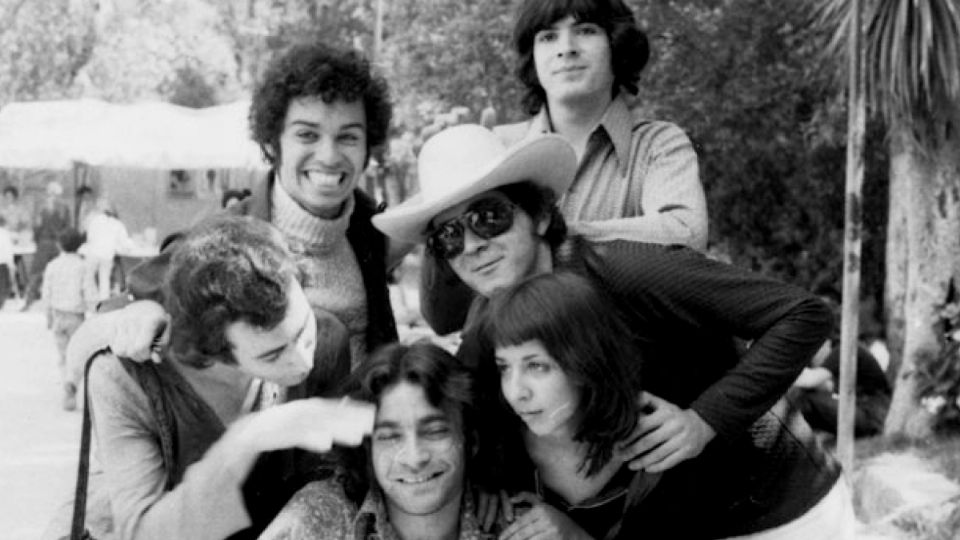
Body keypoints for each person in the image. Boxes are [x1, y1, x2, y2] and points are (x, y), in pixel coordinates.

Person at [371, 124, 851, 538]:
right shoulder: (488, 331)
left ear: (538, 214)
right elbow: (464, 411)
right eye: (449, 237)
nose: (473, 245)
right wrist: (488, 482)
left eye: (488, 217)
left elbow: (803, 315)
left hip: (778, 505)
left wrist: (703, 421)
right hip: (672, 521)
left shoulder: (624, 271)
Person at [65, 41, 400, 370]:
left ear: (368, 145)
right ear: (273, 142)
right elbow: (117, 308)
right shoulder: (225, 238)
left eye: (348, 137)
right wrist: (141, 312)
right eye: (307, 135)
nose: (328, 156)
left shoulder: (371, 227)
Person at [47, 215, 374, 540]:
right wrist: (248, 440)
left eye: (303, 332)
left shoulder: (329, 339)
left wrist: (309, 508)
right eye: (271, 355)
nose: (302, 360)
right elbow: (143, 532)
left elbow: (330, 472)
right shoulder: (125, 380)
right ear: (213, 350)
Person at [420, 0, 708, 334]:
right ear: (533, 57)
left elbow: (685, 235)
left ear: (617, 46)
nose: (566, 49)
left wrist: (551, 233)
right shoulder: (495, 150)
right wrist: (441, 200)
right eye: (548, 37)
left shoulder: (659, 143)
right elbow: (443, 319)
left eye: (585, 31)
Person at [260, 341, 496, 540]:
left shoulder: (521, 528)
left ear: (470, 439)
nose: (414, 458)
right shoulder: (315, 521)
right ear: (367, 448)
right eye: (390, 437)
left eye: (434, 431)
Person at [41, 227, 97, 410]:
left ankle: (67, 383)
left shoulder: (53, 265)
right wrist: (94, 311)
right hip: (76, 317)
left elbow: (46, 293)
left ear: (59, 244)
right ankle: (72, 384)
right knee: (77, 353)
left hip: (58, 315)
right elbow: (89, 292)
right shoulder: (83, 266)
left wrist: (48, 316)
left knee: (63, 355)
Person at [23, 181, 72, 309]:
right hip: (56, 243)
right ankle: (58, 302)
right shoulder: (63, 207)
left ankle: (29, 301)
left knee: (36, 273)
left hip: (45, 242)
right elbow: (67, 227)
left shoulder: (42, 206)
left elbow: (37, 226)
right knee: (57, 273)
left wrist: (36, 239)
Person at [81, 198, 133, 301]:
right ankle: (103, 304)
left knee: (88, 277)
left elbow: (89, 237)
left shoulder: (94, 220)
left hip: (94, 253)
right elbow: (125, 242)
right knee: (104, 281)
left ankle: (91, 299)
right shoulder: (117, 224)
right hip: (107, 255)